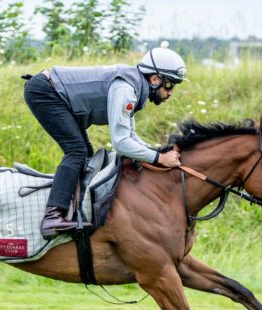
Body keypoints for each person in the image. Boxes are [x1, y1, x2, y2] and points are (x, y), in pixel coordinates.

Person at [23, 42, 187, 240]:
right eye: (169, 85)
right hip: (45, 91)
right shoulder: (126, 89)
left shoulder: (133, 86)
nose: (170, 92)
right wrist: (159, 158)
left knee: (85, 154)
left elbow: (131, 136)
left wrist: (157, 153)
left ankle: (72, 211)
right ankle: (52, 216)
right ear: (154, 79)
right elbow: (121, 143)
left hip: (52, 90)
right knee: (77, 152)